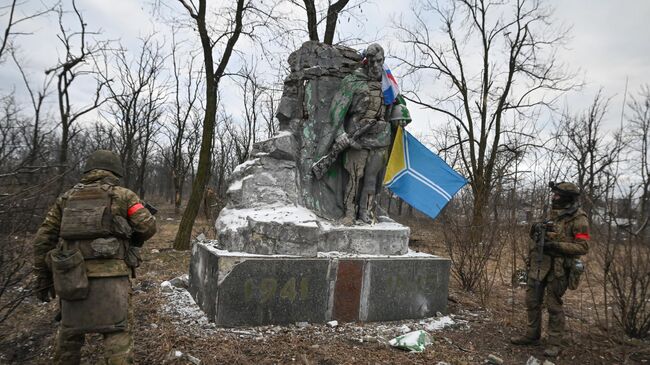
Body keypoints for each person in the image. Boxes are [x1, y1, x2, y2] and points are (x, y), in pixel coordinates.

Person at [33, 149, 156, 364]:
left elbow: (44, 237)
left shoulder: (66, 198)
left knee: (70, 333)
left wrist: (43, 278)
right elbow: (146, 226)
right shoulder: (124, 195)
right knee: (117, 333)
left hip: (72, 276)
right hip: (112, 278)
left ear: (88, 170)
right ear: (115, 171)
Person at [510, 181, 590, 357]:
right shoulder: (553, 214)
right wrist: (537, 228)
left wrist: (555, 245)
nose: (554, 197)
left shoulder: (579, 219)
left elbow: (583, 247)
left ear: (568, 198)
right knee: (532, 300)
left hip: (559, 268)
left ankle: (554, 342)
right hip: (540, 263)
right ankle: (532, 335)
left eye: (558, 195)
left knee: (553, 306)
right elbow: (538, 235)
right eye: (554, 194)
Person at [328, 43, 391, 224]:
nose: (375, 66)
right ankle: (349, 213)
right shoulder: (352, 81)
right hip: (357, 136)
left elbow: (395, 105)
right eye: (371, 61)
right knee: (355, 177)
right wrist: (340, 133)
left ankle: (366, 212)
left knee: (372, 179)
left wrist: (400, 116)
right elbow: (336, 110)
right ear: (365, 61)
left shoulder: (387, 83)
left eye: (379, 61)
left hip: (380, 137)